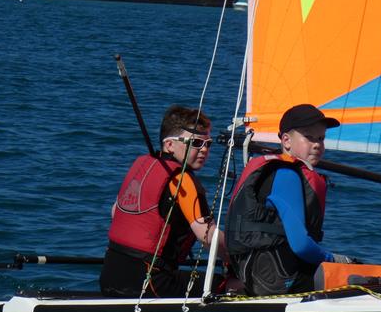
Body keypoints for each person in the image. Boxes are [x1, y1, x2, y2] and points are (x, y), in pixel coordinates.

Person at [225, 103, 353, 296]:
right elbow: (301, 245)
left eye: (321, 138)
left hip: (261, 276)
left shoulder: (278, 171)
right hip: (281, 280)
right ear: (286, 141)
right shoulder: (287, 174)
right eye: (309, 137)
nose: (317, 144)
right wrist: (334, 259)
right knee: (369, 277)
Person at [100, 105, 224, 298]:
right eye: (196, 143)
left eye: (208, 143)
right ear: (169, 145)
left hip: (110, 276)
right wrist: (237, 258)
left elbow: (115, 212)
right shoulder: (182, 180)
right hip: (150, 282)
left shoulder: (142, 166)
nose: (204, 150)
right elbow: (207, 236)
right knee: (229, 284)